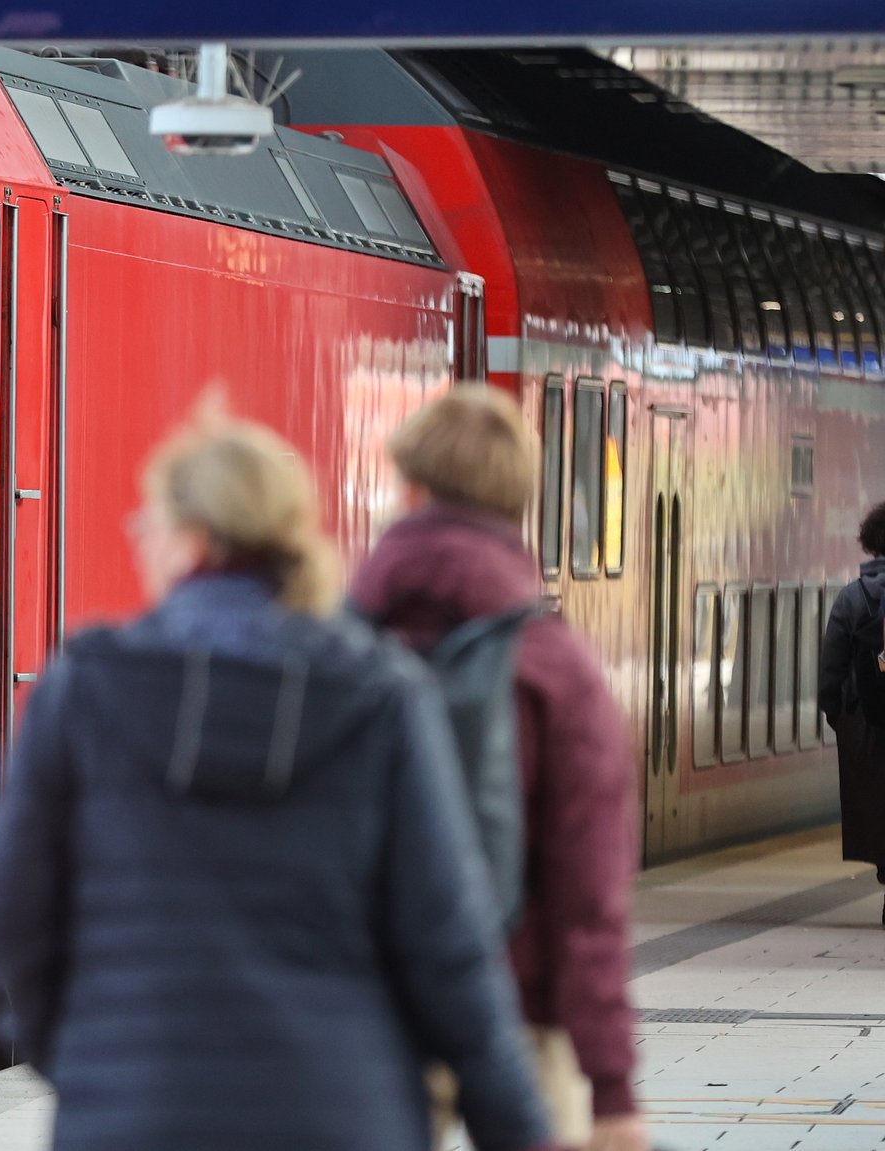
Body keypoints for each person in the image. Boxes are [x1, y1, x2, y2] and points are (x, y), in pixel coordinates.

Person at [0, 400, 555, 1151]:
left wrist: (84, 1053)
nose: (141, 540)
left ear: (193, 538)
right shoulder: (382, 696)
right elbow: (448, 941)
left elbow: (16, 910)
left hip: (135, 1117)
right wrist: (517, 1127)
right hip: (343, 1115)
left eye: (148, 521)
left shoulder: (84, 688)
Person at [351, 387, 644, 1151]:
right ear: (518, 506)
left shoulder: (331, 649)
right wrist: (611, 1087)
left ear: (409, 492)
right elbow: (589, 899)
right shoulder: (556, 667)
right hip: (517, 1015)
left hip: (360, 1019)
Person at [818, 500, 885, 914]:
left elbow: (831, 673)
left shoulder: (852, 598)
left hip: (868, 726)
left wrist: (841, 719)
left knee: (876, 807)